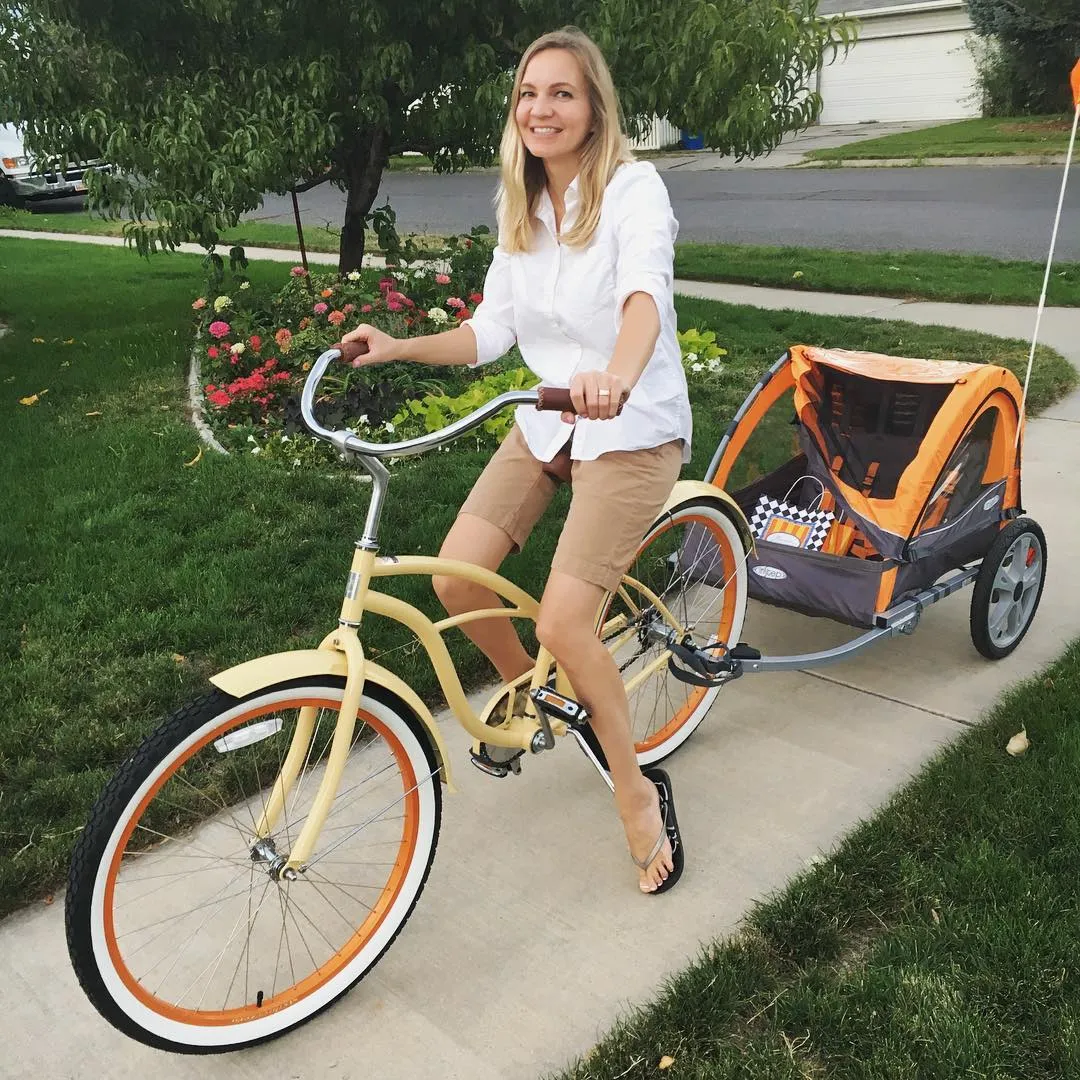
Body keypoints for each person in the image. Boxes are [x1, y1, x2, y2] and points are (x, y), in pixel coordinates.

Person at [339, 26, 692, 894]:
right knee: (457, 580)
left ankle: (637, 791)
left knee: (565, 624)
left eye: (562, 92)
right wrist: (396, 345)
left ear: (594, 106)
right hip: (547, 420)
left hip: (630, 420)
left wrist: (617, 374)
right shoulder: (523, 207)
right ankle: (535, 697)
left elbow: (646, 292)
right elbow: (490, 331)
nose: (542, 108)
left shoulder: (635, 190)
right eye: (530, 93)